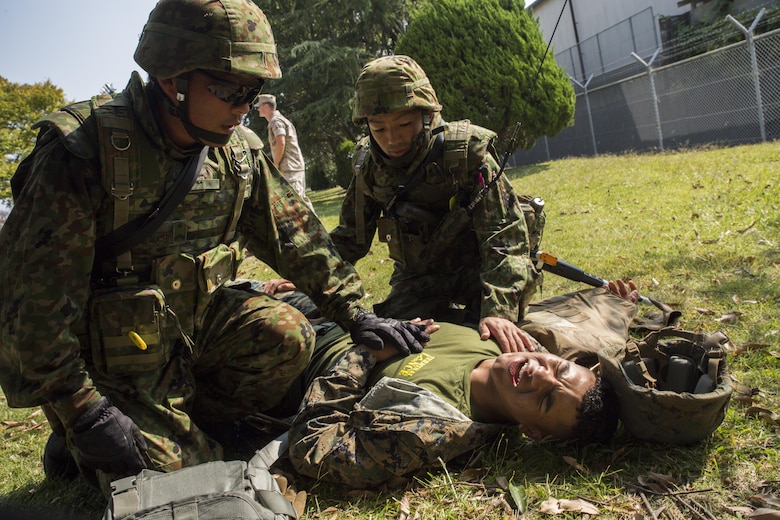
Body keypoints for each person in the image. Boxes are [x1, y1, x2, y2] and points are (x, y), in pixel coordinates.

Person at [0, 0, 428, 496]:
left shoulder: (238, 152)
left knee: (286, 334)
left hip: (192, 330)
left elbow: (295, 237)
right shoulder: (84, 150)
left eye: (254, 91)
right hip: (113, 360)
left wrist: (358, 315)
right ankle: (88, 438)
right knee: (186, 486)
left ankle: (181, 420)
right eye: (228, 89)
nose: (243, 106)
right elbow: (31, 308)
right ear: (170, 79)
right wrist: (82, 408)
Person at [278, 280, 640, 489]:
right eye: (559, 371)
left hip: (291, 355)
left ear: (530, 431)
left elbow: (311, 451)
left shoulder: (431, 428)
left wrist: (367, 353)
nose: (540, 375)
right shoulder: (512, 341)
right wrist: (615, 300)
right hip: (334, 315)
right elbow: (585, 326)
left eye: (545, 401)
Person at [332, 55, 544, 354]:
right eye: (378, 129)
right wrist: (310, 273)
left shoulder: (466, 154)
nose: (392, 139)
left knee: (494, 343)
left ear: (427, 115)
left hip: (481, 271)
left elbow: (505, 237)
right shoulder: (368, 165)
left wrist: (498, 309)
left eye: (404, 123)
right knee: (398, 339)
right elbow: (349, 239)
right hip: (419, 276)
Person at [255, 93, 315, 212]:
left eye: (259, 106)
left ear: (266, 107)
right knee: (297, 200)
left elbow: (281, 142)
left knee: (296, 201)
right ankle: (313, 228)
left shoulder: (275, 121)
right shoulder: (278, 120)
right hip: (292, 167)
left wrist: (275, 164)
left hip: (290, 168)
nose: (257, 109)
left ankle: (314, 228)